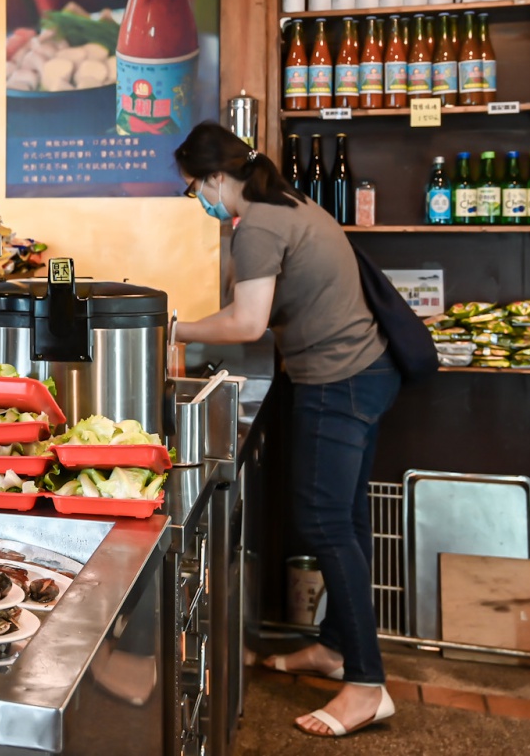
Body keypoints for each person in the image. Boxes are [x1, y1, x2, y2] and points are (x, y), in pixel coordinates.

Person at [170, 122, 397, 739]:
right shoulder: (286, 202)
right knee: (343, 519)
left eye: (195, 189)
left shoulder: (259, 225)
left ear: (218, 177)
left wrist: (175, 329)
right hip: (363, 372)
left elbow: (247, 323)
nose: (201, 202)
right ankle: (334, 648)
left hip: (340, 379)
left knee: (324, 521)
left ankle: (367, 686)